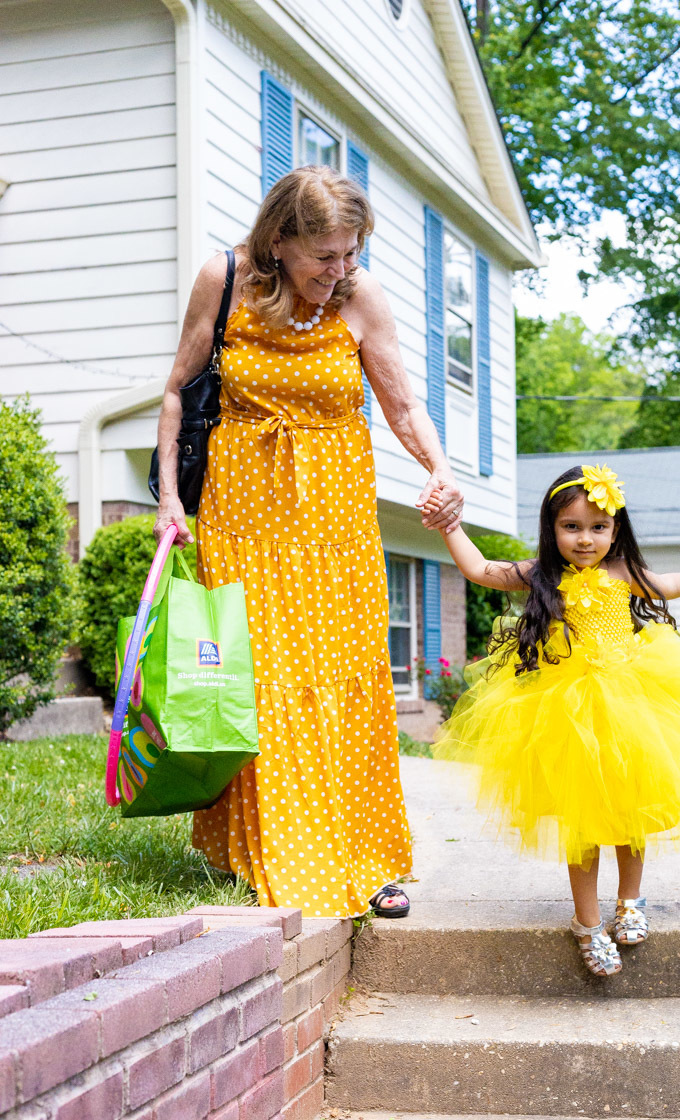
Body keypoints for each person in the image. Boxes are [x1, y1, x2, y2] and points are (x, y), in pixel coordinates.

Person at [154, 165, 464, 918]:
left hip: (336, 520)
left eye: (351, 253)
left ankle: (363, 852)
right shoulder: (224, 279)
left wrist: (442, 467)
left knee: (345, 679)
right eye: (325, 255)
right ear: (280, 241)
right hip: (242, 511)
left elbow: (402, 405)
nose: (341, 270)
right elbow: (177, 389)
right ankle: (271, 853)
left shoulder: (362, 300)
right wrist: (168, 496)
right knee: (260, 681)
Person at [428, 464, 680, 976]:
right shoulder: (541, 576)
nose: (585, 538)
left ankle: (630, 903)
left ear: (616, 530)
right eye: (571, 526)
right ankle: (587, 922)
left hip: (631, 702)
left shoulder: (623, 573)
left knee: (630, 811)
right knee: (583, 819)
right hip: (564, 710)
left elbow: (665, 586)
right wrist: (448, 526)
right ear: (552, 529)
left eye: (598, 527)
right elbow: (480, 570)